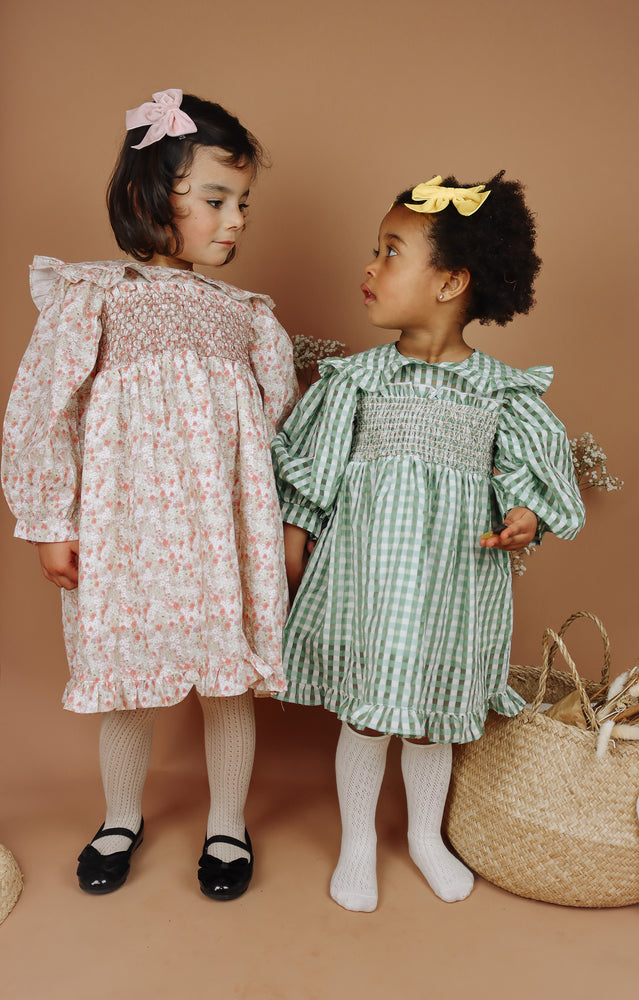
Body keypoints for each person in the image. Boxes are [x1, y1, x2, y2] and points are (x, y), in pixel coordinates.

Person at [2, 89, 298, 900]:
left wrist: (286, 524)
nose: (235, 220)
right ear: (150, 195)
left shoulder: (246, 318)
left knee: (226, 680)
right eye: (216, 199)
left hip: (222, 531)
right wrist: (49, 519)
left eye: (243, 204)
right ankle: (121, 816)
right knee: (128, 679)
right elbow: (45, 410)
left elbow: (279, 430)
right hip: (128, 527)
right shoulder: (96, 299)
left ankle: (228, 824)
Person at [272, 173, 586, 912]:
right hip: (368, 581)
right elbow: (314, 471)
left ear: (449, 281)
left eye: (390, 251)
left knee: (431, 718)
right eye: (375, 249)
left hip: (453, 584)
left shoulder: (498, 392)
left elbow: (528, 479)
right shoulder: (357, 381)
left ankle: (423, 836)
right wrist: (295, 535)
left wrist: (524, 516)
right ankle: (356, 843)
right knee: (366, 711)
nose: (369, 267)